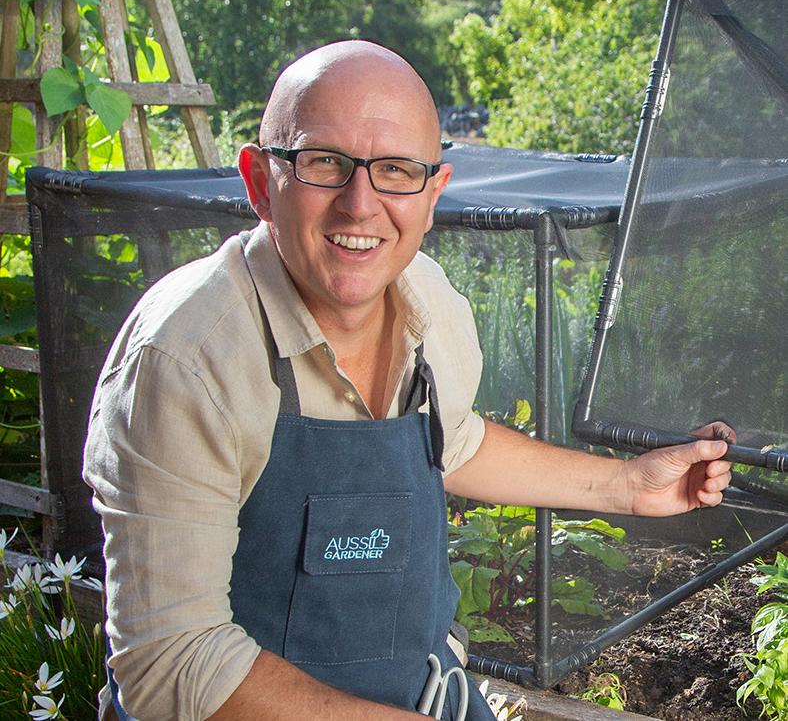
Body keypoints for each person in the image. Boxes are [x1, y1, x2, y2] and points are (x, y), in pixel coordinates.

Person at [83, 40, 733, 721]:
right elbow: (170, 664)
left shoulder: (427, 300)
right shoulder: (186, 356)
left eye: (395, 171)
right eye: (324, 163)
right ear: (258, 183)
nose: (360, 206)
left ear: (432, 194)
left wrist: (627, 486)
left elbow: (452, 441)